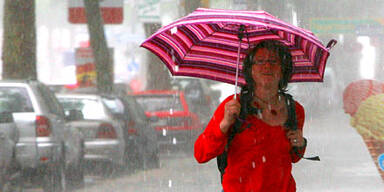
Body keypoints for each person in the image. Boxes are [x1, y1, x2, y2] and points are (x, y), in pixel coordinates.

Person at [194, 40, 307, 192]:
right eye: (260, 61)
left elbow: (293, 157)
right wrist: (225, 124)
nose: (267, 66)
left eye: (273, 61)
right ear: (251, 70)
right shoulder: (234, 106)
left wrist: (300, 144)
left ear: (282, 70)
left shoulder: (295, 110)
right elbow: (201, 153)